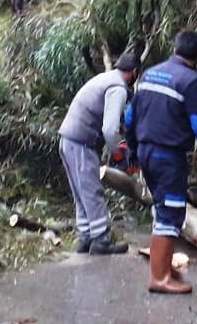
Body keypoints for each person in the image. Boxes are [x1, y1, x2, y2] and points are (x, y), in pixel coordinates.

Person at [126, 30, 197, 294]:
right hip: (168, 157)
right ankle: (159, 278)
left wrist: (132, 152)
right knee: (171, 215)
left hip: (146, 152)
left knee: (161, 210)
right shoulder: (190, 82)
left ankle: (163, 267)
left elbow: (130, 118)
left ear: (175, 48)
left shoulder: (150, 73)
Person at [57, 52, 140, 255]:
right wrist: (119, 154)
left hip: (68, 140)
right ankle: (101, 241)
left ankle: (85, 239)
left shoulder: (105, 78)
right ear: (135, 72)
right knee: (92, 192)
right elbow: (109, 129)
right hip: (81, 143)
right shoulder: (118, 88)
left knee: (81, 193)